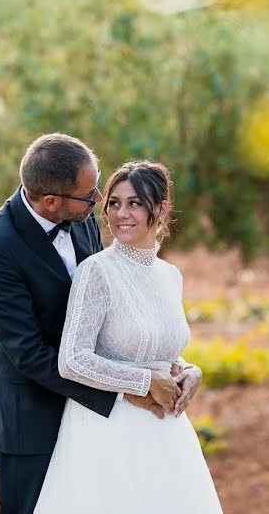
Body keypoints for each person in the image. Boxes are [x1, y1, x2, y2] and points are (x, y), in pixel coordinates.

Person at [0, 134, 204, 514]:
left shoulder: (77, 215)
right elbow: (27, 351)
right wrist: (126, 388)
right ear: (50, 201)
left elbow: (113, 308)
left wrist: (178, 367)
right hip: (32, 414)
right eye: (90, 195)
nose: (99, 203)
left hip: (106, 410)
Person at [34, 159, 222, 513]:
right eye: (114, 203)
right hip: (109, 432)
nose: (121, 213)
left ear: (162, 209)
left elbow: (157, 345)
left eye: (135, 203)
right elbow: (72, 359)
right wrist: (144, 381)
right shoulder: (96, 272)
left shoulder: (171, 276)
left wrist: (190, 370)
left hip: (166, 433)